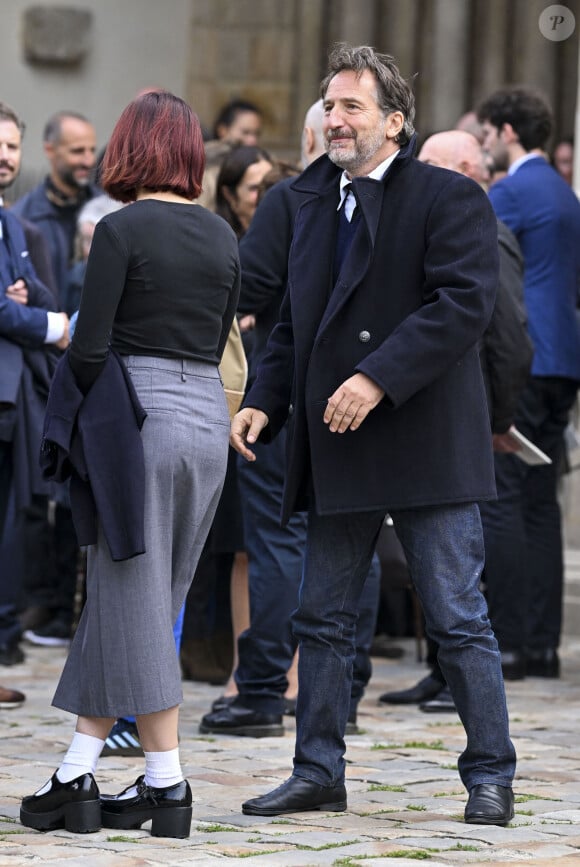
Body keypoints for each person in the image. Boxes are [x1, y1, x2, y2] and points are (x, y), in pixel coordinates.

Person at [230, 44, 516, 826]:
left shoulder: (449, 197)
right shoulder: (307, 201)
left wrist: (377, 375)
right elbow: (293, 320)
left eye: (353, 106)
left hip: (423, 440)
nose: (334, 118)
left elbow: (461, 305)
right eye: (329, 104)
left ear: (395, 122)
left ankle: (490, 774)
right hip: (338, 440)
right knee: (321, 618)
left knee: (457, 616)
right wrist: (265, 395)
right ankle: (318, 768)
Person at [19, 89, 240, 838]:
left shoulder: (118, 229)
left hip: (138, 414)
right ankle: (75, 772)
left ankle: (167, 784)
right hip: (206, 414)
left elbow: (87, 350)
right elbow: (214, 346)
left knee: (134, 591)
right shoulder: (220, 236)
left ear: (129, 147)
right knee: (141, 593)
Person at [199, 100, 381, 739]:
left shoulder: (291, 200)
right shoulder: (378, 199)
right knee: (354, 544)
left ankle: (261, 691)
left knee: (277, 543)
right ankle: (344, 691)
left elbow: (245, 292)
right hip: (366, 395)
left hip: (292, 393)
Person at [379, 128, 534, 711]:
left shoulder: (486, 231)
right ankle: (443, 672)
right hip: (434, 423)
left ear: (468, 168)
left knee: (462, 571)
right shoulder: (435, 225)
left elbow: (508, 338)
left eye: (433, 167)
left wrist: (498, 417)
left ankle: (467, 680)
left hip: (470, 423)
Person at [477, 88, 580, 678]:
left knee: (508, 496)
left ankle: (510, 641)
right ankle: (541, 644)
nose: (487, 143)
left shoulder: (512, 190)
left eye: (489, 133)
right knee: (542, 504)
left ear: (508, 132)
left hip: (528, 355)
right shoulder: (565, 192)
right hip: (564, 356)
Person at [180, 144, 272, 694]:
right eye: (252, 187)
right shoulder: (222, 240)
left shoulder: (282, 231)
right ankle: (206, 652)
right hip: (224, 397)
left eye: (268, 185)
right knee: (213, 540)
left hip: (260, 397)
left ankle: (244, 662)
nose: (261, 197)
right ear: (232, 194)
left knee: (242, 541)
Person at [11, 110, 99, 647]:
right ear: (50, 151)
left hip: (82, 359)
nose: (87, 161)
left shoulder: (98, 208)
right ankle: (38, 603)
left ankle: (60, 607)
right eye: (76, 152)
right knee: (40, 495)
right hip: (44, 364)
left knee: (69, 495)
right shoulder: (25, 217)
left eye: (91, 150)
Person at [0, 100, 69, 705]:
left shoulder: (17, 227)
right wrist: (41, 322)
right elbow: (13, 310)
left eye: (10, 147)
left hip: (14, 397)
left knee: (13, 521)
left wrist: (30, 309)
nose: (4, 157)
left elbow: (42, 293)